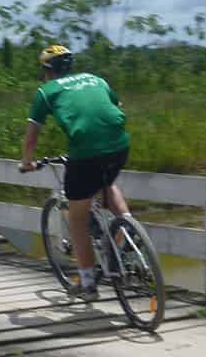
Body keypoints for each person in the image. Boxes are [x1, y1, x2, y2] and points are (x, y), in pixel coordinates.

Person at [19, 45, 138, 300]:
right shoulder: (96, 79)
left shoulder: (46, 91)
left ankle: (87, 284)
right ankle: (127, 226)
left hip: (85, 154)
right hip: (119, 146)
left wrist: (27, 162)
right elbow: (118, 108)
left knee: (77, 221)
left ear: (47, 70)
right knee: (106, 183)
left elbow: (31, 138)